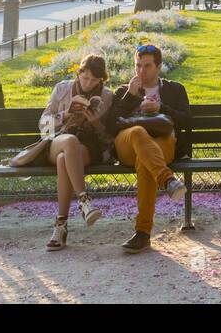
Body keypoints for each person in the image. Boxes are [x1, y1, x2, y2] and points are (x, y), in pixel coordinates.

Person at [105, 43, 189, 254]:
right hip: (128, 146)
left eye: (147, 66)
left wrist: (162, 108)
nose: (141, 71)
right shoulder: (124, 90)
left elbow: (187, 121)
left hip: (162, 144)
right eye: (138, 65)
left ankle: (142, 234)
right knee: (137, 132)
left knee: (146, 161)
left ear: (159, 67)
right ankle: (168, 180)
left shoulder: (174, 89)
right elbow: (109, 126)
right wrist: (130, 98)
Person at [38, 54, 114, 250]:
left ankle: (60, 227)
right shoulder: (63, 89)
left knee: (65, 159)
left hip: (86, 147)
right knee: (68, 143)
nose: (89, 83)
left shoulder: (107, 96)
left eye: (95, 80)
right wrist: (66, 114)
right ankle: (84, 201)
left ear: (101, 80)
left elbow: (108, 139)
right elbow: (43, 124)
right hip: (58, 140)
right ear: (79, 73)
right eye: (85, 77)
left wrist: (96, 123)